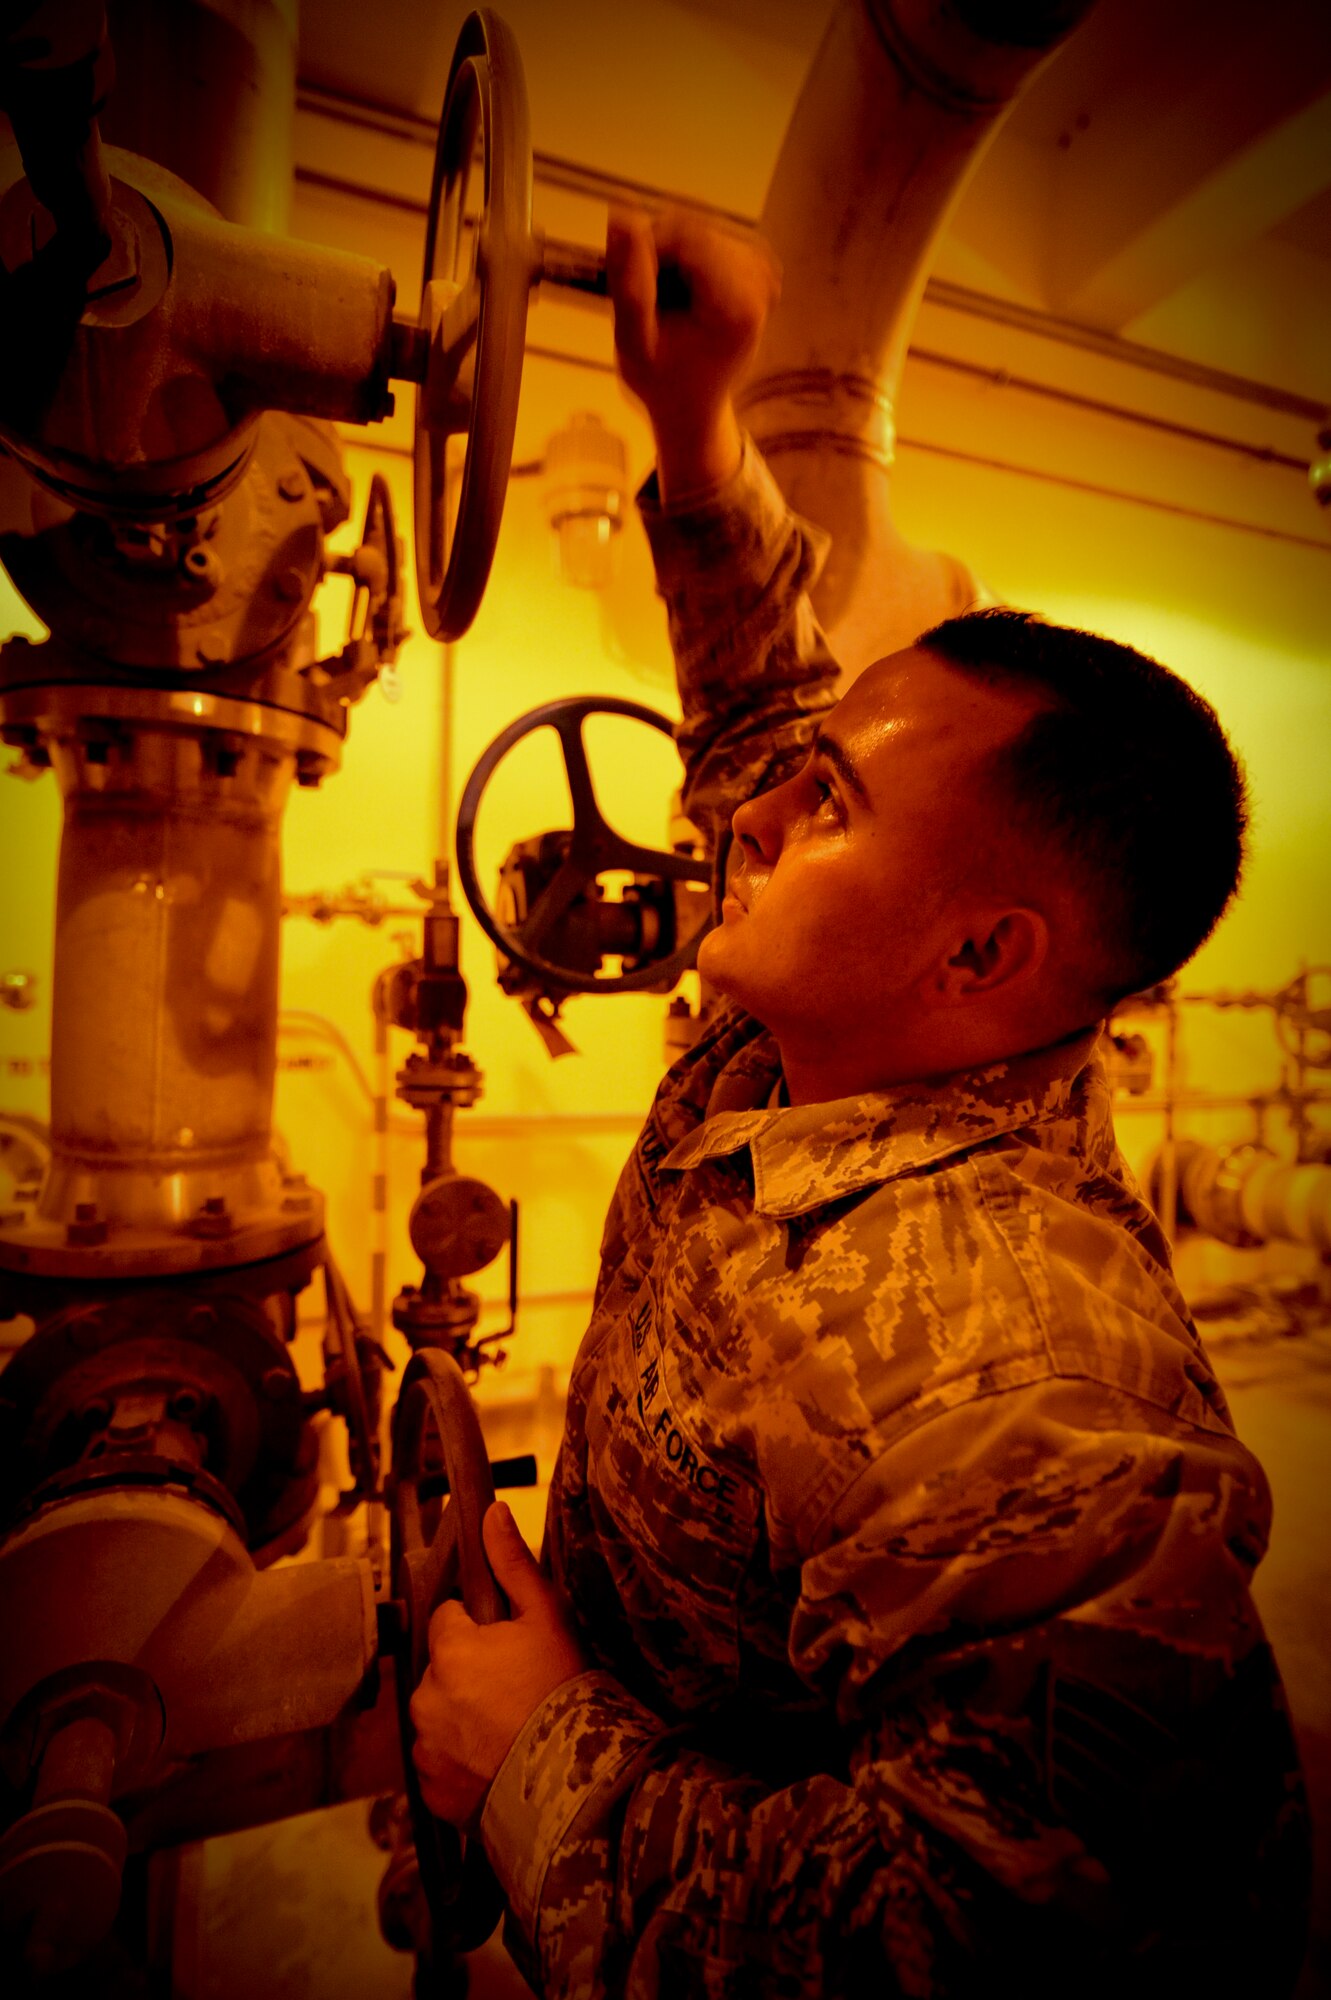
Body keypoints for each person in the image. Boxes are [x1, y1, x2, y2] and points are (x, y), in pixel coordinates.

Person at [408, 209, 1309, 1998]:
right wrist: (696, 421)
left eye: (820, 803)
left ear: (980, 957)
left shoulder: (1021, 1379)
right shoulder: (830, 1015)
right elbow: (756, 696)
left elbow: (1020, 1947)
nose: (737, 816)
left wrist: (543, 1759)